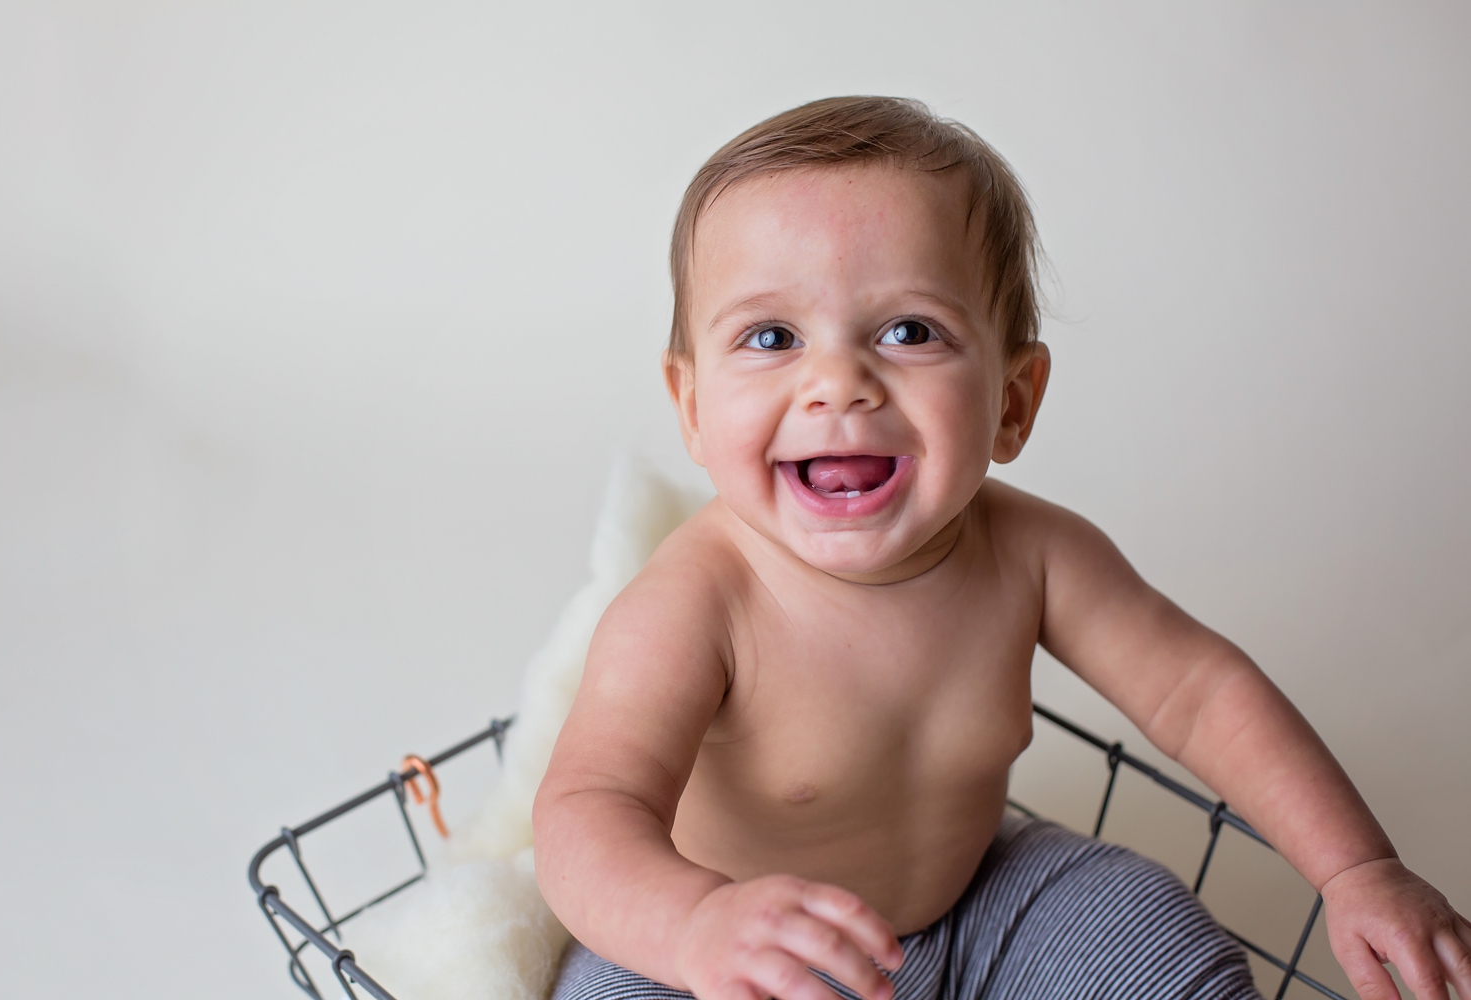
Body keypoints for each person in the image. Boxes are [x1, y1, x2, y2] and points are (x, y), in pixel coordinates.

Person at [532, 96, 1470, 1000]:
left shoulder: (1034, 554)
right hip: (735, 953)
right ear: (693, 409)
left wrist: (1356, 868)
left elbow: (1200, 693)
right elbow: (586, 814)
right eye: (772, 336)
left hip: (977, 907)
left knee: (1152, 926)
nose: (838, 382)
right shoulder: (697, 603)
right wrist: (695, 925)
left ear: (1013, 401)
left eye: (909, 331)